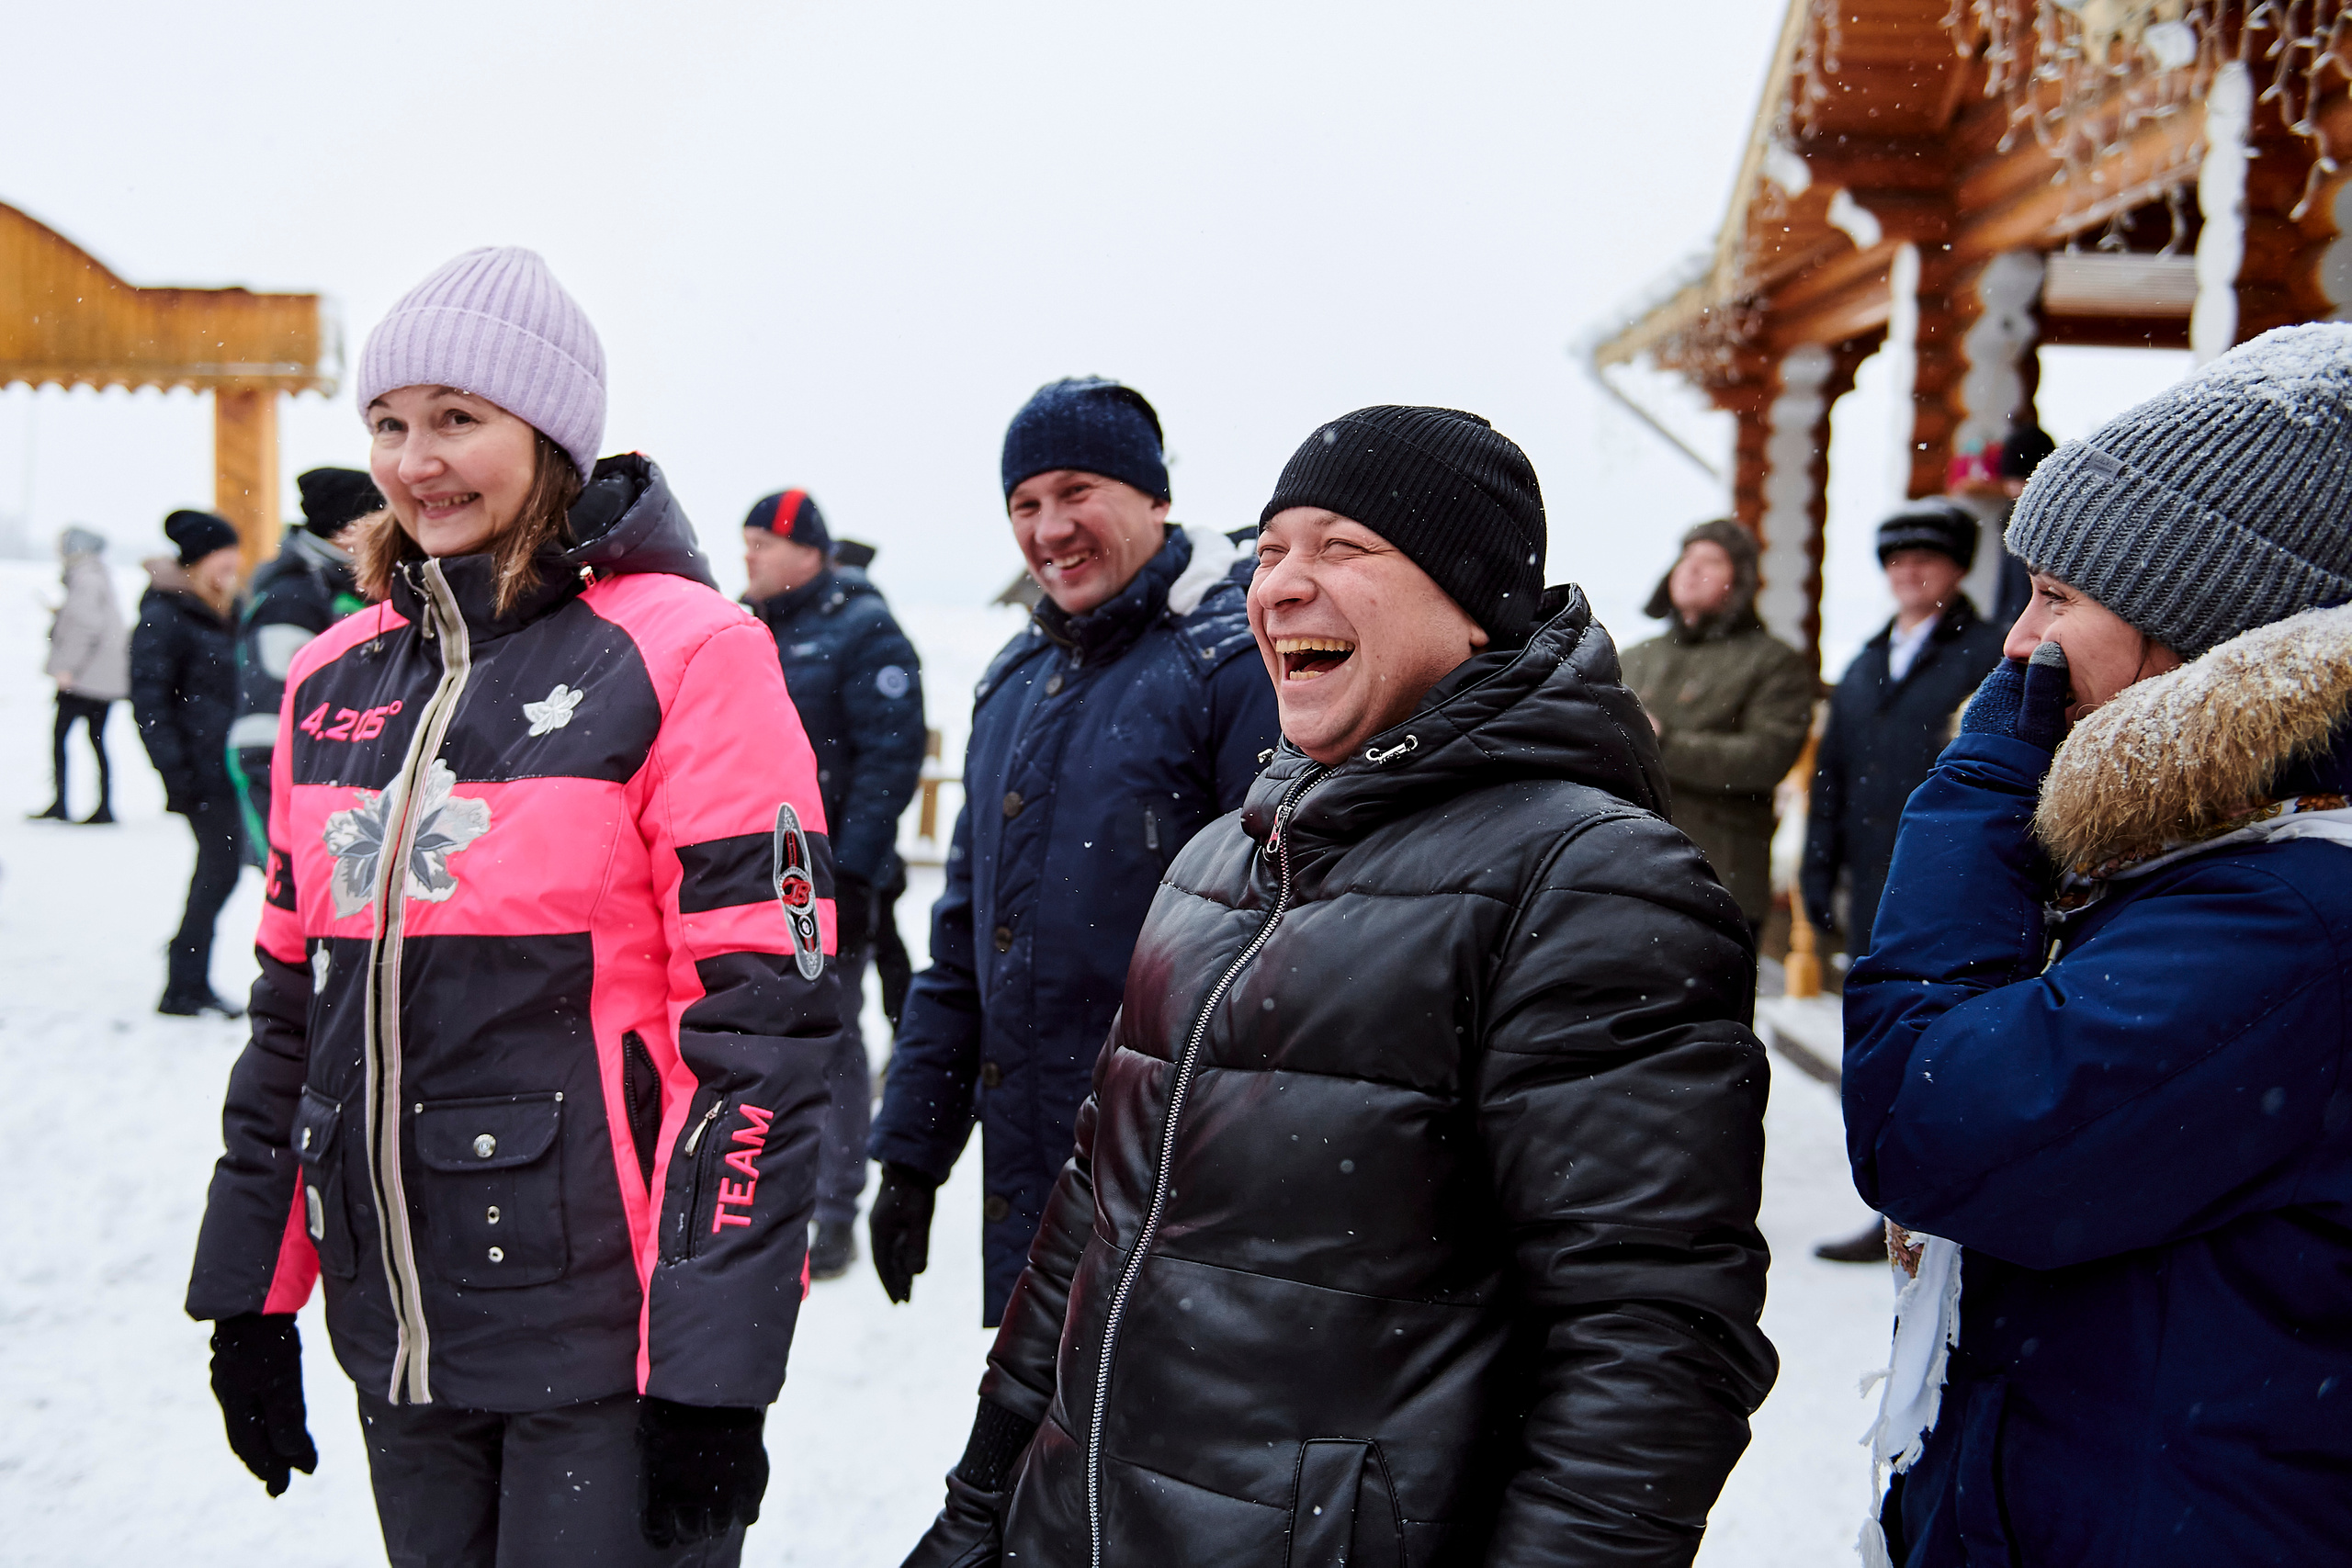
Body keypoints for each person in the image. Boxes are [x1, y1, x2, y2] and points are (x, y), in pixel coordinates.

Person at [899, 406, 1773, 1568]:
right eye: (1268, 554)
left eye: (1342, 549)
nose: (1281, 587)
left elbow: (1648, 1346)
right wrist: (978, 1511)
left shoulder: (1589, 879)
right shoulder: (1221, 862)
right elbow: (1088, 1231)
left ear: (1471, 602)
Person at [184, 247, 842, 1567]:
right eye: (389, 422)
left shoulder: (686, 652)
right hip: (401, 1328)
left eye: (458, 419)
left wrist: (713, 1367)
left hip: (606, 1342)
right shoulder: (331, 678)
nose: (417, 459)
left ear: (547, 436)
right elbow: (285, 1013)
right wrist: (249, 1296)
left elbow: (763, 1031)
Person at [1844, 323, 2352, 1568]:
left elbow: (1930, 1121)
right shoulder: (2224, 866)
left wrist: (1974, 787)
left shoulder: (2289, 915)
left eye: (2060, 597)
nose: (2018, 643)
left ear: (2208, 638)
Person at [868, 377, 1281, 1326]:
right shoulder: (1013, 682)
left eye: (1075, 491)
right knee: (1038, 1457)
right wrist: (910, 1154)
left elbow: (1283, 953)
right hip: (1038, 1184)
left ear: (1155, 497)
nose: (1048, 528)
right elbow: (970, 937)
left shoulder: (1232, 666)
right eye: (1024, 504)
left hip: (1187, 1191)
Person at [1802, 500, 2004, 1263]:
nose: (1909, 572)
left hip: (1952, 883)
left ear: (1956, 569)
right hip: (1875, 881)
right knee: (1882, 1039)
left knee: (1943, 1040)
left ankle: (1945, 1208)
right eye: (1895, 560)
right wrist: (1820, 868)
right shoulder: (1863, 661)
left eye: (1926, 557)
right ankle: (1893, 1205)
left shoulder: (1989, 653)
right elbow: (1832, 774)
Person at [741, 488, 925, 1281]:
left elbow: (889, 761)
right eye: (743, 540)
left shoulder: (863, 629)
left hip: (828, 881)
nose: (747, 555)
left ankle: (834, 1207)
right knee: (751, 1037)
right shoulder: (742, 625)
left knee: (833, 1040)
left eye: (762, 542)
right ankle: (761, 1192)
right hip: (746, 879)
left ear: (809, 551)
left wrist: (849, 874)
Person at [1621, 518, 1815, 933]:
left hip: (1720, 876)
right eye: (1686, 557)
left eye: (1711, 561)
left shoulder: (1775, 663)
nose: (1691, 569)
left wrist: (1661, 742)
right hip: (1625, 869)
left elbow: (1764, 759)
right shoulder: (1633, 658)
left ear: (1740, 581)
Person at [227, 466, 381, 852]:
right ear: (348, 529)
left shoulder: (347, 585)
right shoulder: (296, 597)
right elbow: (267, 719)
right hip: (298, 788)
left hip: (343, 783)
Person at [132, 508, 247, 1016]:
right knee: (219, 870)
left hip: (228, 765)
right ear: (202, 559)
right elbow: (150, 705)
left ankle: (187, 975)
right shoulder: (166, 614)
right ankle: (184, 983)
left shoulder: (222, 608)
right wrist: (176, 776)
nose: (235, 565)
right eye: (225, 556)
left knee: (220, 870)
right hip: (201, 772)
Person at [32, 525, 128, 824]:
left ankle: (63, 803)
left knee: (63, 737)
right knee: (96, 739)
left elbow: (86, 627)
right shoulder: (97, 574)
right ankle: (103, 805)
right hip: (102, 676)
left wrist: (66, 669)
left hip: (87, 679)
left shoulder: (84, 576)